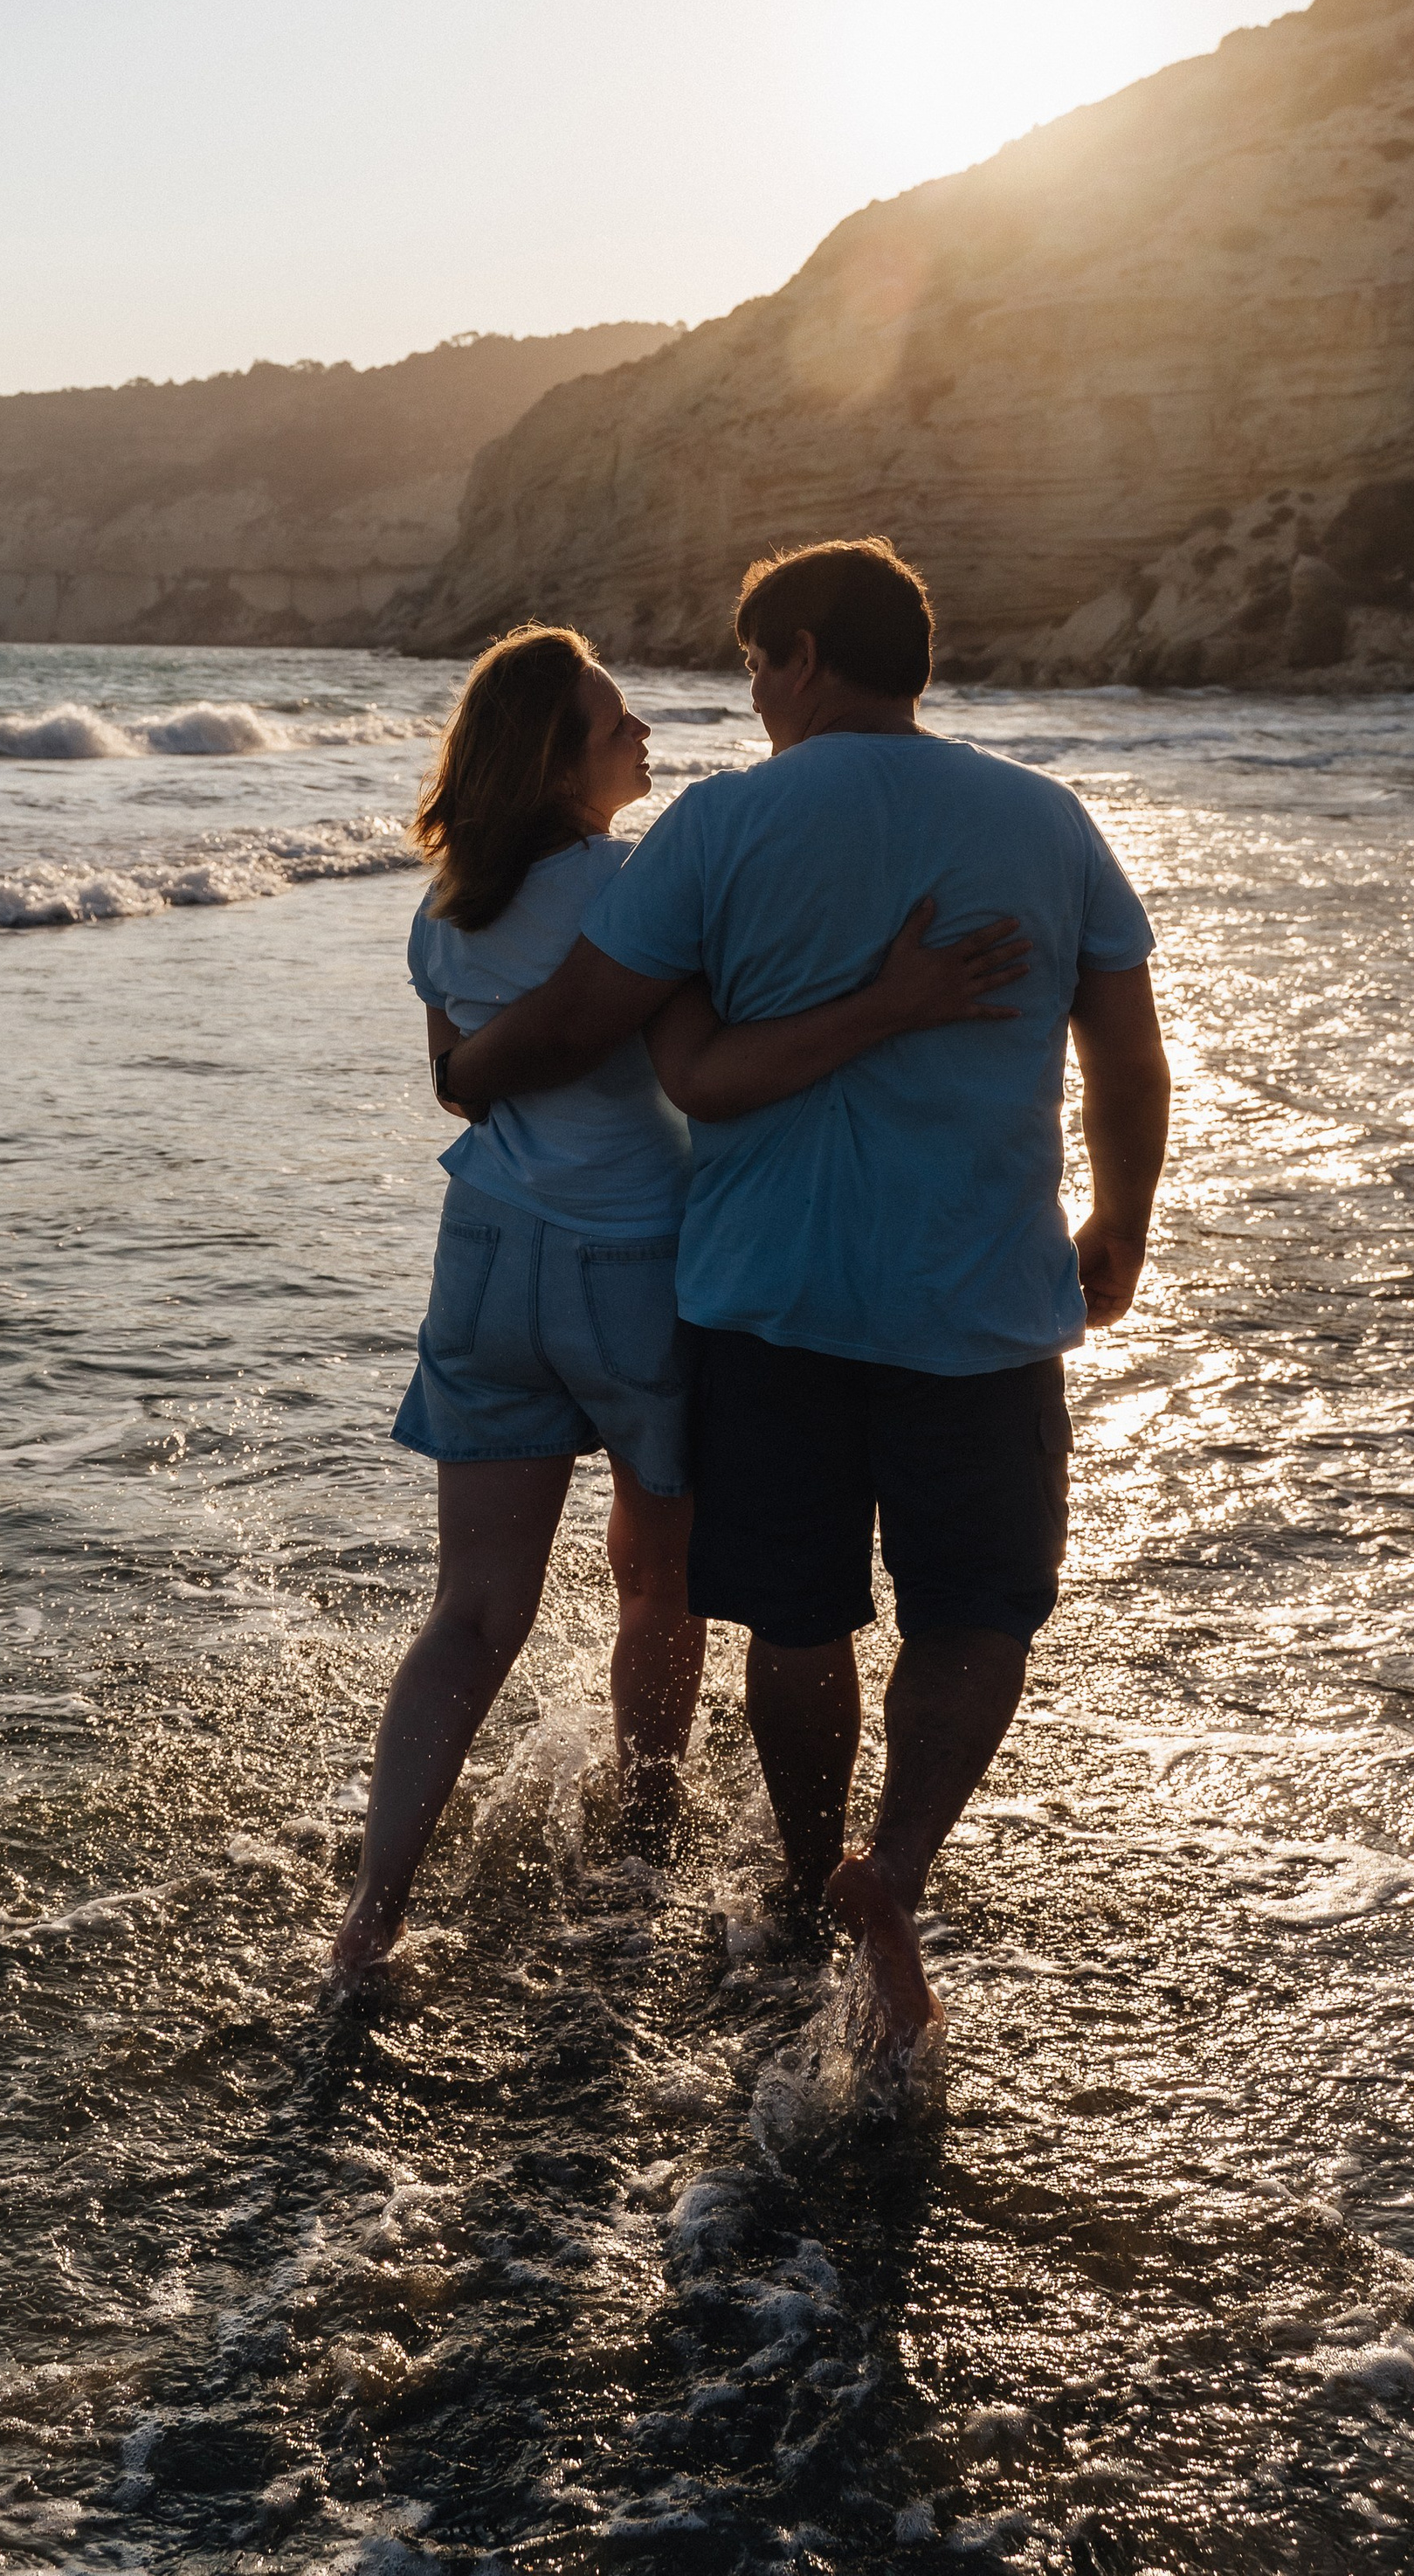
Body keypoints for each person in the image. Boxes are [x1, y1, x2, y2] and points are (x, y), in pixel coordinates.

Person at [438, 542, 1170, 2048]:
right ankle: (891, 1872)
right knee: (977, 1613)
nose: (753, 693)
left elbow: (586, 1019)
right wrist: (1122, 1224)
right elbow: (1127, 1052)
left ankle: (796, 1867)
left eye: (758, 662)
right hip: (982, 1303)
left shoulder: (721, 829)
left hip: (765, 1304)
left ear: (808, 655)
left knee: (794, 1618)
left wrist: (468, 1067)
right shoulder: (1046, 819)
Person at [332, 621, 1031, 1975]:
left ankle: (374, 1911)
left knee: (472, 1611)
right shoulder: (638, 881)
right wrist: (901, 995)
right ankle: (645, 1830)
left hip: (482, 1258)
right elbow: (708, 1053)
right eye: (613, 723)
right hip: (638, 1265)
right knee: (658, 1579)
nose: (643, 733)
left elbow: (457, 1081)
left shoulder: (443, 906)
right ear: (555, 764)